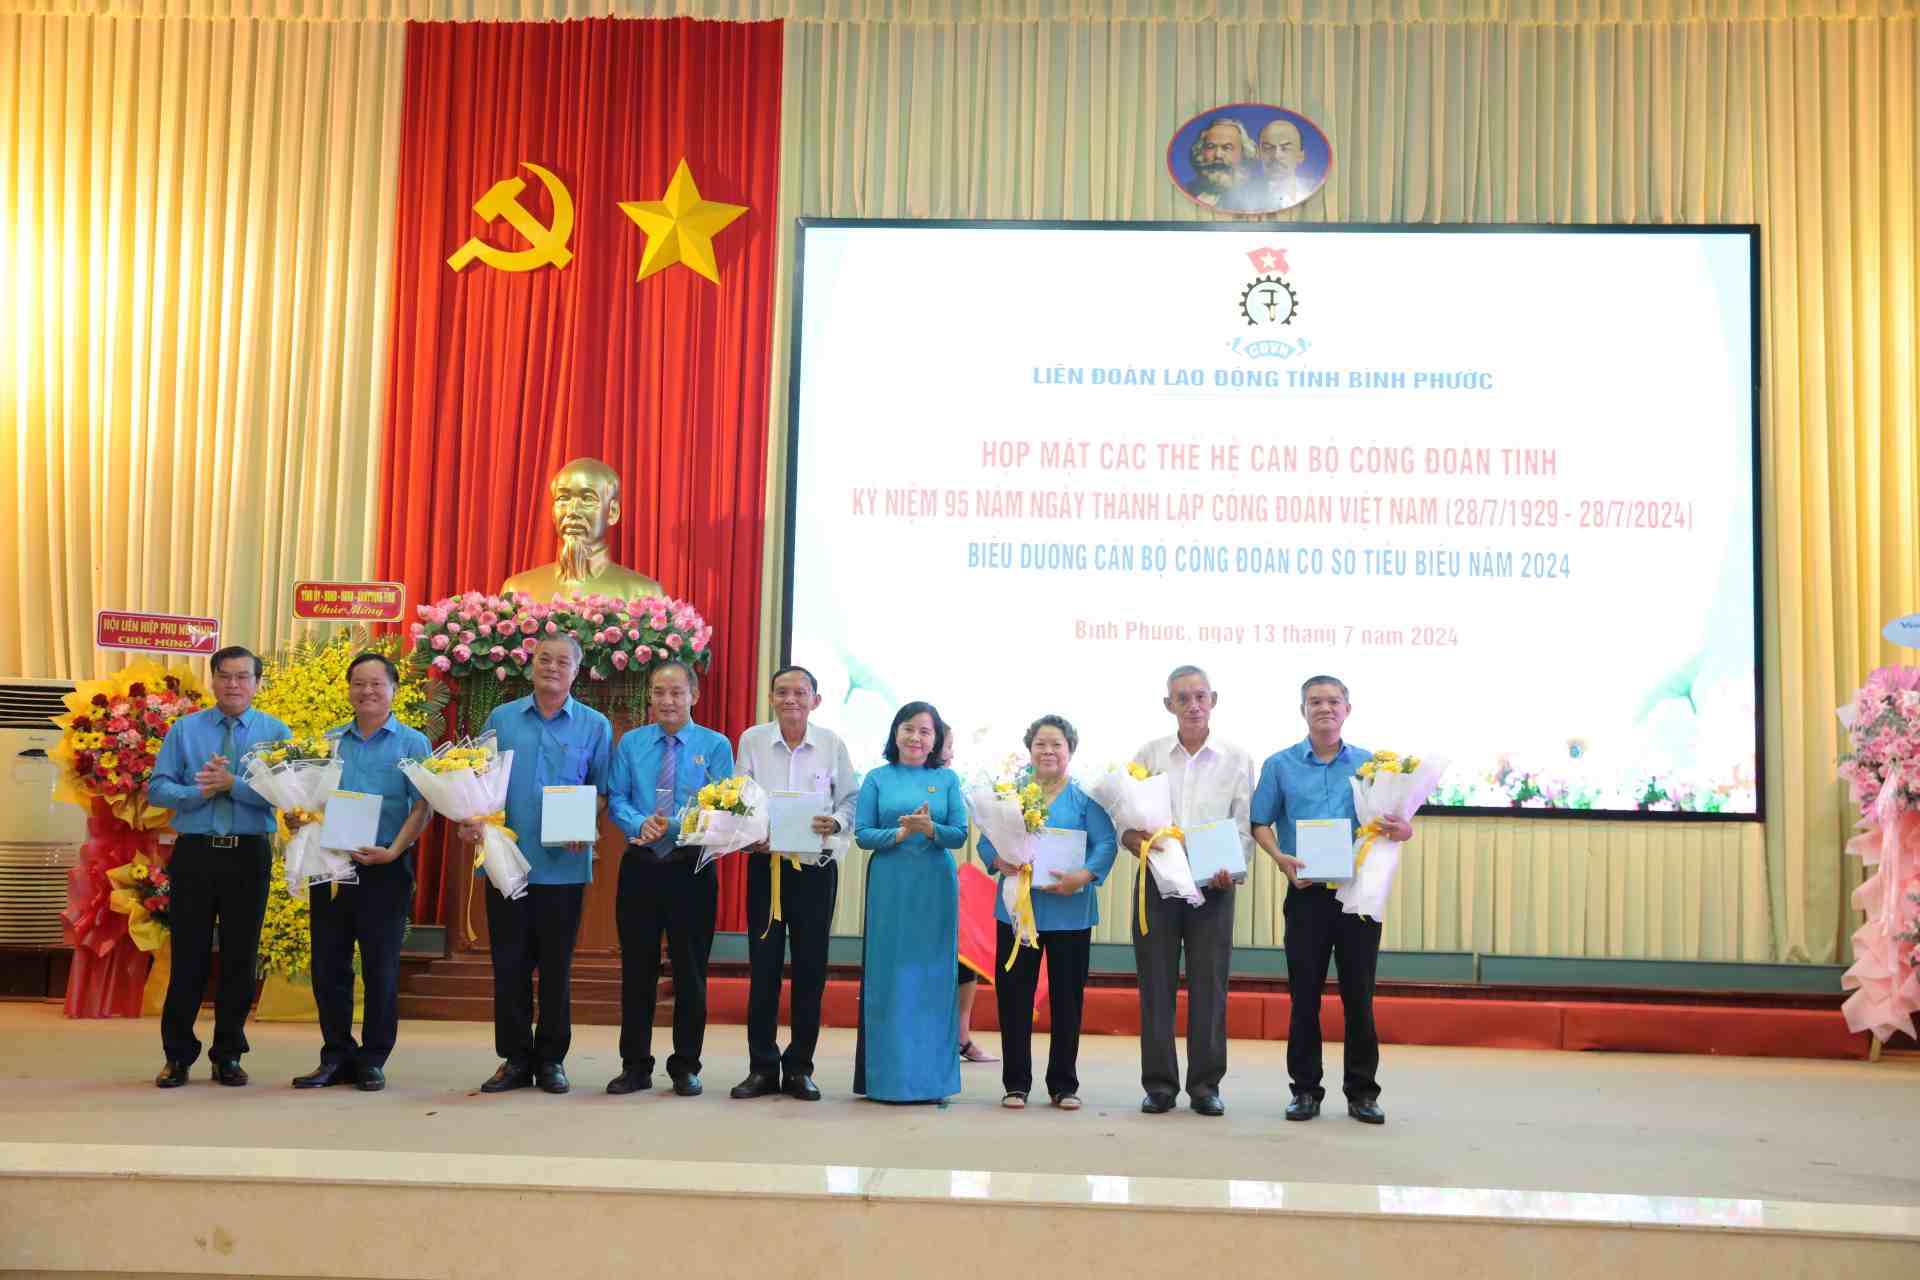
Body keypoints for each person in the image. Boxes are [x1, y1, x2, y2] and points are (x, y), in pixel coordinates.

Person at [1251, 675, 1413, 1126]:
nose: (1325, 708)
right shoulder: (1279, 765)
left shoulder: (1372, 766)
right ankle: (1305, 1091)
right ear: (1302, 709)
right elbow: (1259, 821)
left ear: (1348, 709)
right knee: (1304, 997)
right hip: (1305, 896)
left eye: (1333, 701)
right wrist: (1280, 857)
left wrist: (1405, 829)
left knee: (1358, 996)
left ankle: (1362, 1092)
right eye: (1315, 701)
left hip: (1357, 896)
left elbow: (1397, 824)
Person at [463, 632, 611, 1096]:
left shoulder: (594, 725)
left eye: (563, 661)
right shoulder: (502, 719)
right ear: (531, 665)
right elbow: (477, 781)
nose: (552, 667)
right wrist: (471, 818)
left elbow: (602, 789)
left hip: (563, 868)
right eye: (544, 659)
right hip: (506, 858)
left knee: (555, 966)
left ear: (576, 671)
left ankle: (551, 1060)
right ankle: (513, 1058)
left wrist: (585, 820)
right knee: (508, 963)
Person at [147, 645, 292, 1088]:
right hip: (196, 851)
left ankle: (228, 1053)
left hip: (248, 852)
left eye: (243, 677)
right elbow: (157, 788)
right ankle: (178, 1055)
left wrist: (235, 785)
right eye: (225, 676)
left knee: (239, 957)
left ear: (258, 683)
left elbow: (287, 794)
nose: (234, 684)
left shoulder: (275, 732)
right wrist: (200, 793)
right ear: (212, 680)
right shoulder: (185, 730)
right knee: (188, 955)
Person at [289, 653, 433, 1093]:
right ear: (348, 689)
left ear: (394, 690)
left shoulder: (412, 743)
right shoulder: (329, 742)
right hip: (329, 867)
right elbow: (308, 803)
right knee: (328, 966)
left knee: (380, 967)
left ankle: (373, 1058)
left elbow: (424, 805)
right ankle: (335, 1054)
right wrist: (297, 820)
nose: (368, 691)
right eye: (359, 683)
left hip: (385, 868)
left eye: (377, 684)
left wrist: (393, 851)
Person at [1120, 665, 1253, 1117]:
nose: (1192, 705)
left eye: (1200, 696)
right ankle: (1159, 1085)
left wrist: (1232, 870)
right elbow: (1127, 825)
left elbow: (1243, 825)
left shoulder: (1236, 759)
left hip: (1213, 889)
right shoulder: (1149, 755)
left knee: (1209, 987)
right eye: (1182, 698)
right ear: (1168, 704)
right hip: (1157, 885)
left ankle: (1205, 1086)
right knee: (1154, 985)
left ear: (1213, 699)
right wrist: (1140, 844)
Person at [604, 659, 734, 1098]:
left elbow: (724, 805)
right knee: (636, 969)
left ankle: (686, 1066)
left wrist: (676, 828)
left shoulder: (715, 746)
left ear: (694, 696)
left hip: (692, 867)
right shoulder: (632, 744)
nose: (667, 700)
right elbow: (617, 797)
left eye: (677, 692)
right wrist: (639, 823)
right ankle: (635, 1065)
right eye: (659, 692)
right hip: (640, 864)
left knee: (690, 971)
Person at [730, 665, 857, 1102]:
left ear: (815, 701)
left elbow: (851, 800)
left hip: (815, 869)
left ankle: (800, 1066)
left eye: (800, 693)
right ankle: (762, 1067)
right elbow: (739, 797)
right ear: (770, 697)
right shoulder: (751, 740)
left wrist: (836, 821)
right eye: (782, 691)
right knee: (763, 971)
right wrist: (751, 833)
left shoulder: (832, 744)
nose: (791, 700)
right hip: (768, 868)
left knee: (810, 972)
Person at [980, 715, 1117, 1110]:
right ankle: (1015, 1082)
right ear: (1029, 749)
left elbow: (1106, 843)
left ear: (1069, 751)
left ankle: (1063, 1084)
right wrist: (998, 860)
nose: (1048, 751)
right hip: (1018, 911)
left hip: (1071, 911)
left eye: (1056, 744)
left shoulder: (1086, 797)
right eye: (1040, 743)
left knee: (1067, 998)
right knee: (1014, 997)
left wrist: (1085, 875)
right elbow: (989, 840)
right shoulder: (1008, 793)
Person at [852, 701, 968, 1103]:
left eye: (925, 731)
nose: (916, 738)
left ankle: (931, 1081)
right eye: (909, 729)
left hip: (934, 885)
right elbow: (863, 834)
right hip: (890, 883)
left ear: (936, 739)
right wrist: (900, 835)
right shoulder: (877, 778)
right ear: (895, 733)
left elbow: (959, 835)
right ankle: (886, 1080)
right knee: (890, 977)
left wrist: (930, 827)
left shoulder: (948, 779)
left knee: (932, 978)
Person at [501, 457, 664, 602]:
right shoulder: (517, 591)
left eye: (588, 499)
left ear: (612, 512)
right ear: (553, 511)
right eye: (563, 498)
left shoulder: (644, 595)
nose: (572, 511)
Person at [946, 727, 996, 1065]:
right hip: (910, 883)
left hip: (946, 875)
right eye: (947, 745)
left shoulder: (952, 782)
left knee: (966, 959)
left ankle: (961, 1038)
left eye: (951, 746)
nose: (950, 753)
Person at [1183, 116, 1263, 212]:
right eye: (1211, 147)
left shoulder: (1260, 193)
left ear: (1244, 153)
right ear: (1201, 152)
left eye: (1227, 148)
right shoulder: (1187, 191)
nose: (1218, 155)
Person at [1254, 116, 1311, 210]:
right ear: (1258, 153)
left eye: (1285, 149)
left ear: (1300, 156)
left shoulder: (1313, 191)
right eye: (1268, 148)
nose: (1276, 156)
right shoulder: (1243, 193)